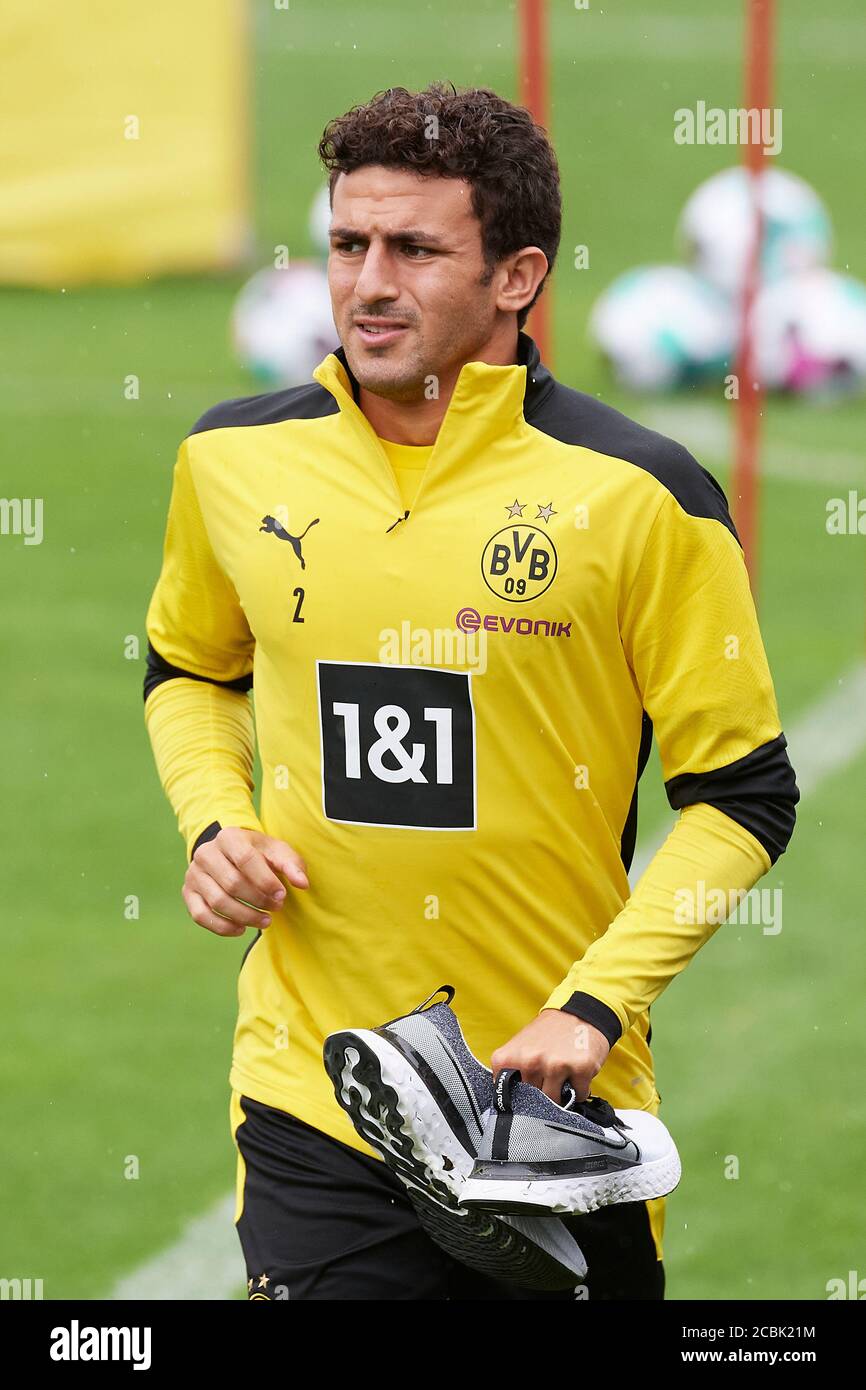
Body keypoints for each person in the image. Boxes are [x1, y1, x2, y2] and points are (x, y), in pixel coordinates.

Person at [142, 82, 798, 1300]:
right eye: (348, 243)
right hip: (317, 1087)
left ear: (516, 276)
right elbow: (188, 666)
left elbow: (742, 796)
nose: (367, 284)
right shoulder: (230, 459)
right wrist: (214, 822)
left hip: (547, 1119)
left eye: (414, 249)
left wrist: (593, 1009)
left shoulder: (641, 497)